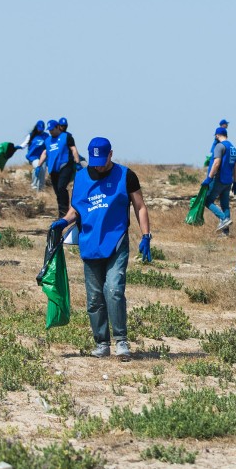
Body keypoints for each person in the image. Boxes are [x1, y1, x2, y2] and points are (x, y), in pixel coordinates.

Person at [51, 137, 151, 361]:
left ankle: (121, 340)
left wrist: (146, 235)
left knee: (114, 290)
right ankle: (101, 342)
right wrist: (62, 222)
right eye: (94, 160)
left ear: (111, 154)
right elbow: (76, 209)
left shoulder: (126, 176)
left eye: (102, 160)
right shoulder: (82, 177)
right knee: (94, 298)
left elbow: (140, 206)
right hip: (90, 243)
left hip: (116, 241)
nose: (98, 165)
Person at [45, 119, 80, 233]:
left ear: (57, 127)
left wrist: (77, 162)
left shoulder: (66, 137)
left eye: (52, 129)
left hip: (65, 166)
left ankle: (65, 214)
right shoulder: (48, 140)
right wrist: (39, 166)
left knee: (61, 187)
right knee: (57, 192)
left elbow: (73, 149)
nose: (50, 132)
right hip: (53, 169)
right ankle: (61, 214)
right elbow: (45, 152)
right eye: (49, 130)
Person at [203, 127, 236, 234]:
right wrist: (235, 183)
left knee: (207, 201)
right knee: (225, 205)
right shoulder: (234, 149)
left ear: (217, 135)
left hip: (218, 179)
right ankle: (225, 233)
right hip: (228, 181)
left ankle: (224, 219)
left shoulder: (219, 146)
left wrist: (209, 178)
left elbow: (216, 163)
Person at [24, 120, 48, 191]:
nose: (40, 131)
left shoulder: (46, 136)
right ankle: (34, 186)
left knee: (43, 171)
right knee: (38, 167)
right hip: (33, 157)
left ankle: (41, 188)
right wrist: (17, 147)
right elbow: (24, 144)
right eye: (39, 129)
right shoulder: (31, 135)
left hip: (43, 157)